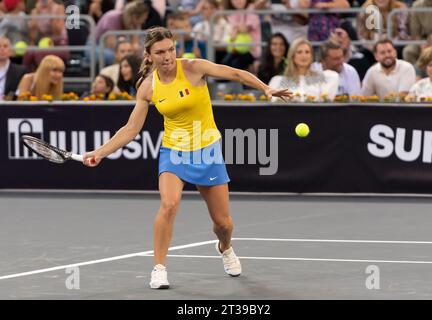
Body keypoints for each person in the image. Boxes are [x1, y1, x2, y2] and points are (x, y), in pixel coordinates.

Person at [82, 26, 291, 289]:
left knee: (223, 223)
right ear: (149, 55)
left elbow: (235, 73)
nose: (168, 56)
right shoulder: (148, 87)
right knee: (169, 205)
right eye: (160, 52)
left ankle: (225, 248)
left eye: (171, 49)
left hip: (207, 150)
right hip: (174, 152)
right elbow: (131, 129)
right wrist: (100, 152)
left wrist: (265, 88)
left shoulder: (194, 67)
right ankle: (159, 268)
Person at [269, 37, 339, 102]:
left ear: (311, 56)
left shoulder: (325, 78)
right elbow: (275, 102)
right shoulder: (278, 81)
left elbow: (326, 99)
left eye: (307, 52)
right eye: (299, 52)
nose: (304, 56)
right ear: (293, 56)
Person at [0, 36, 27, 100]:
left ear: (11, 51)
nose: (2, 49)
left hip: (11, 108)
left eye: (5, 46)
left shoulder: (20, 71)